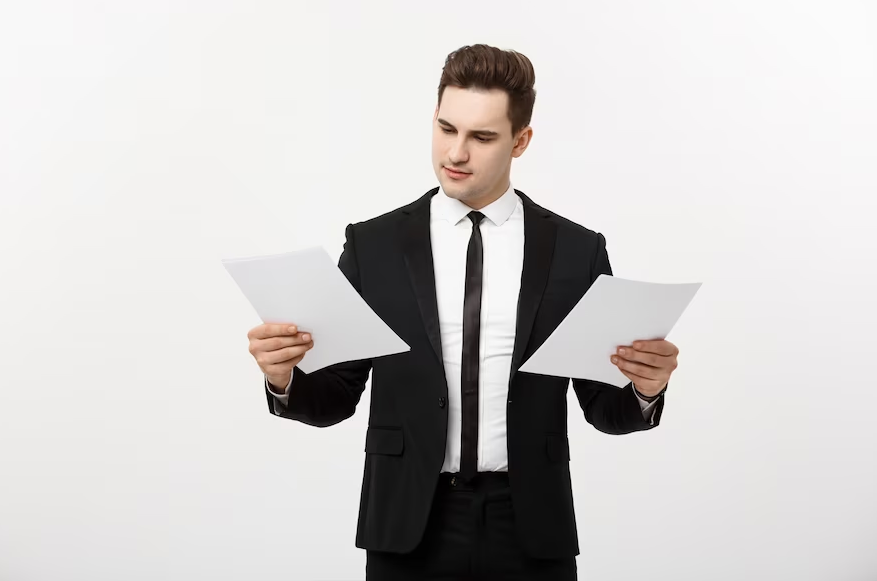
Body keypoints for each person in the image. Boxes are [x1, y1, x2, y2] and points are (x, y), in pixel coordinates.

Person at [247, 44, 680, 581]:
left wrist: (646, 389)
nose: (456, 152)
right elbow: (334, 396)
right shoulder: (373, 246)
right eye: (446, 128)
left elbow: (603, 407)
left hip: (530, 526)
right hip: (408, 524)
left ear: (520, 141)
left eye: (481, 137)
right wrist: (283, 377)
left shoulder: (575, 251)